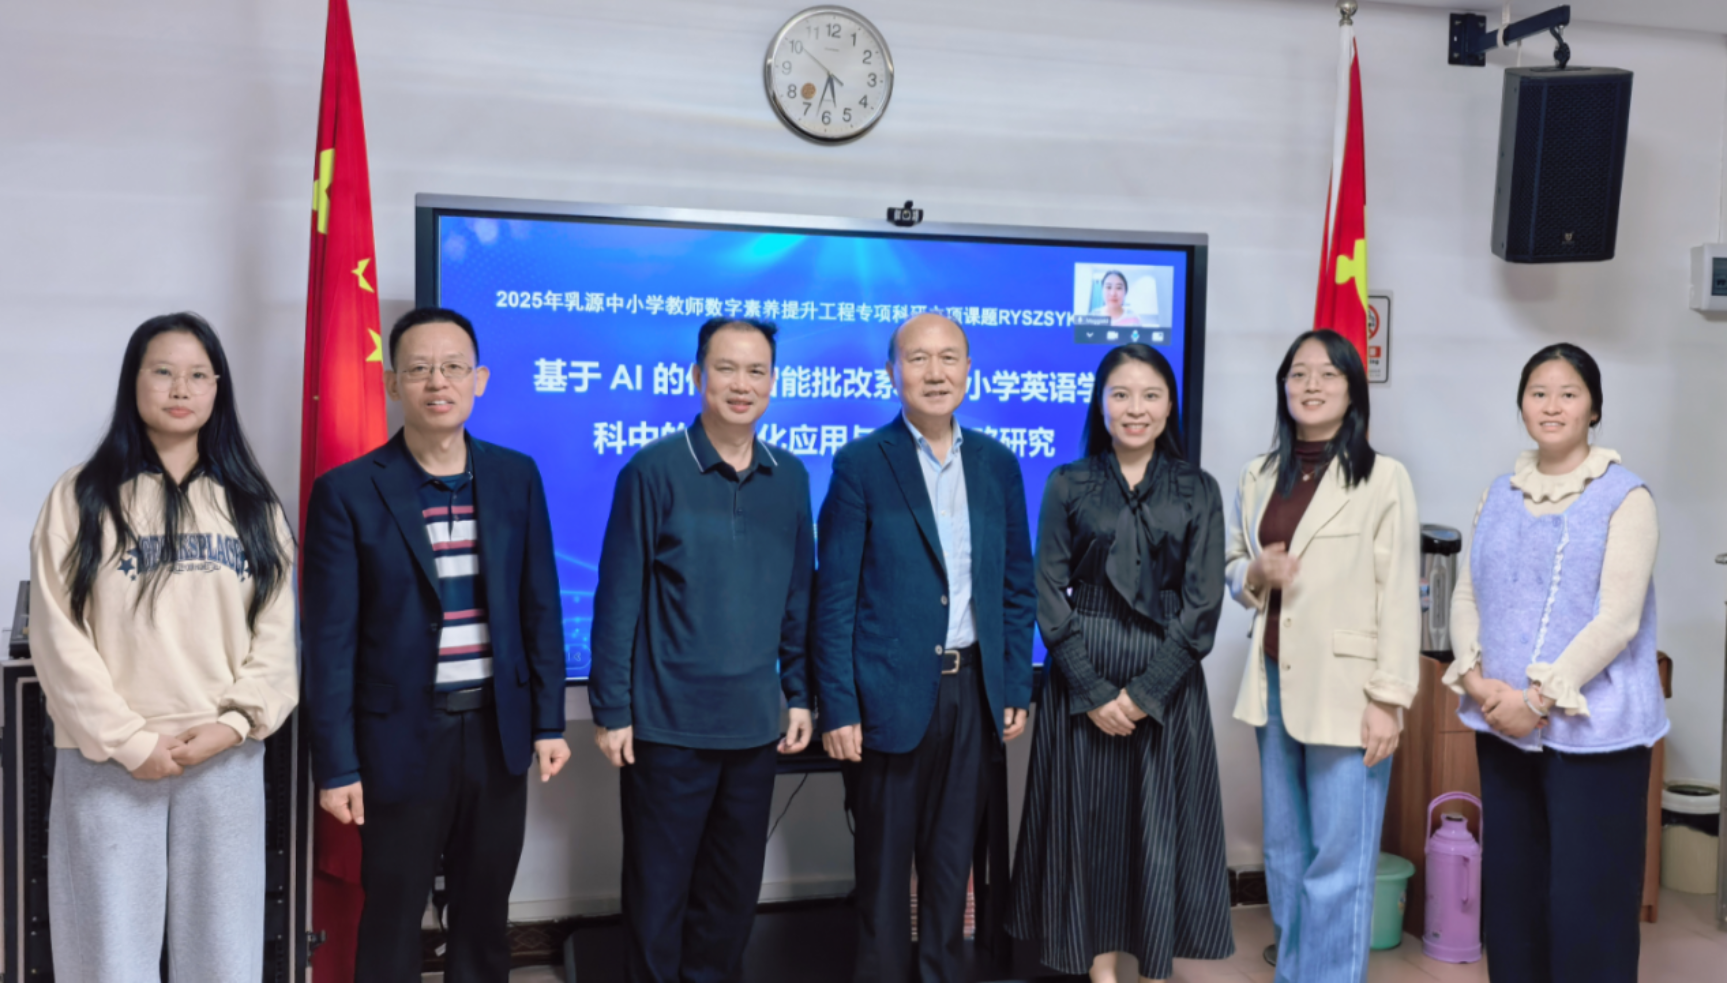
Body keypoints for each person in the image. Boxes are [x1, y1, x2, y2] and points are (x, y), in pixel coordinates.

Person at [302, 307, 572, 982]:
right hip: (398, 738)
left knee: (484, 911)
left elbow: (540, 606)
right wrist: (335, 764)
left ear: (480, 379)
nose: (437, 381)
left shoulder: (515, 477)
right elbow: (328, 642)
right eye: (419, 368)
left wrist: (548, 722)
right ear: (393, 382)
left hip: (496, 732)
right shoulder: (347, 492)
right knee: (393, 913)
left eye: (454, 367)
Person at [29, 312, 298, 982]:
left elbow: (276, 634)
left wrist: (233, 724)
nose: (181, 388)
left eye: (198, 374)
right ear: (134, 381)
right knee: (108, 956)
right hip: (110, 760)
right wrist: (129, 740)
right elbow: (57, 635)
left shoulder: (251, 502)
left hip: (223, 757)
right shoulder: (81, 496)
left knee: (224, 954)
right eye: (164, 371)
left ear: (217, 389)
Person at [589, 317, 816, 983]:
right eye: (726, 368)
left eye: (756, 371)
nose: (742, 384)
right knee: (658, 895)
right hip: (667, 729)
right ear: (697, 376)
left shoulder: (790, 476)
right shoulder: (652, 470)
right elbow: (618, 597)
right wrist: (611, 708)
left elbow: (799, 595)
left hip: (753, 727)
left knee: (731, 895)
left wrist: (799, 693)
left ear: (772, 383)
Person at [813, 312, 1037, 983]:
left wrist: (1013, 685)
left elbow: (1015, 586)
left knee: (950, 862)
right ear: (892, 372)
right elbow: (836, 597)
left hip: (972, 691)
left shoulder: (998, 464)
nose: (935, 373)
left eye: (948, 358)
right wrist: (839, 706)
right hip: (888, 696)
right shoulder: (861, 463)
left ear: (968, 370)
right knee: (884, 871)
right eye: (918, 358)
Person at [1008, 344, 1233, 983]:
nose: (1136, 408)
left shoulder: (1199, 488)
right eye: (1121, 394)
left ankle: (1154, 968)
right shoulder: (1068, 482)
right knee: (1091, 830)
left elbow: (1203, 606)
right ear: (1101, 404)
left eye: (1151, 395)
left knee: (1158, 830)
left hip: (1168, 679)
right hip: (1085, 671)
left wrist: (1142, 695)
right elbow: (1046, 590)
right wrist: (1092, 690)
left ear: (1169, 405)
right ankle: (1100, 969)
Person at [1444, 343, 1665, 983]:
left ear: (1593, 408)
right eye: (1538, 392)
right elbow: (1468, 593)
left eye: (1569, 393)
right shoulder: (1499, 492)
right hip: (1502, 726)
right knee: (1514, 897)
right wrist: (1478, 681)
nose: (1552, 405)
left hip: (1596, 737)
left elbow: (1617, 621)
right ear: (1521, 404)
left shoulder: (1626, 496)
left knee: (1588, 903)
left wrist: (1536, 701)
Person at [1224, 328, 1419, 983]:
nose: (1311, 385)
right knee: (1285, 854)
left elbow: (1399, 595)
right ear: (1283, 387)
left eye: (1328, 374)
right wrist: (1254, 573)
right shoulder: (1258, 474)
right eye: (1299, 373)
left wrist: (1388, 699)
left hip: (1350, 690)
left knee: (1340, 859)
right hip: (1273, 682)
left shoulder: (1383, 477)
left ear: (1352, 390)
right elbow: (1236, 563)